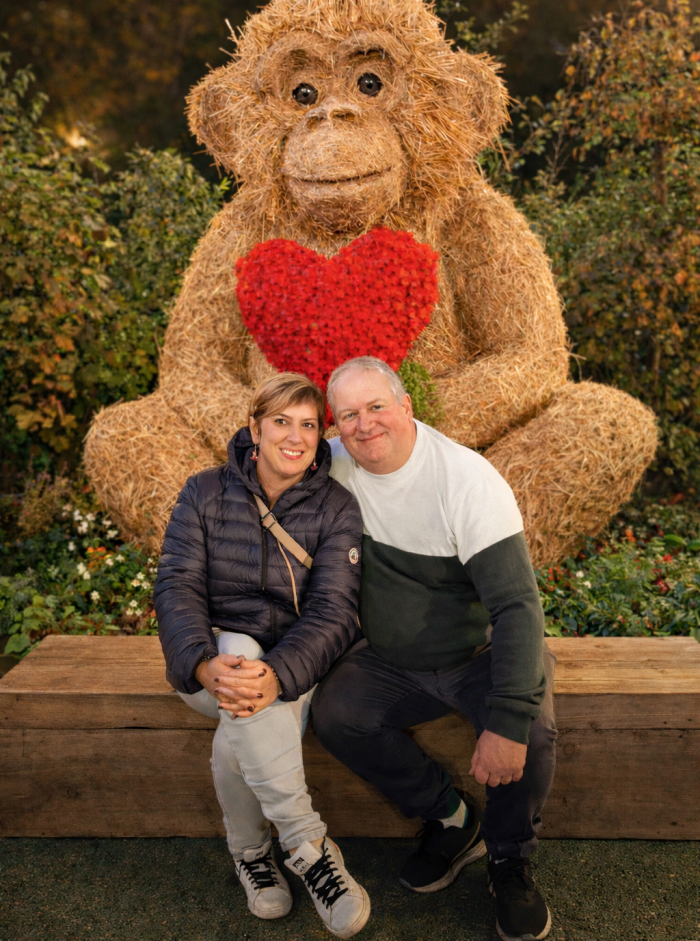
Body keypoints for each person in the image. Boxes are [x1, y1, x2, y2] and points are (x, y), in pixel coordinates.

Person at [312, 356, 557, 941]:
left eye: (377, 407)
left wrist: (508, 721)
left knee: (533, 731)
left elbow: (518, 607)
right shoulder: (333, 463)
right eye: (348, 415)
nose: (364, 425)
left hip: (477, 653)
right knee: (336, 715)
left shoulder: (466, 481)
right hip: (391, 661)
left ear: (406, 407)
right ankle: (451, 818)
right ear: (335, 424)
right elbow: (266, 463)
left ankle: (508, 858)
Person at [154, 372, 371, 939]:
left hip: (298, 669)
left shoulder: (336, 507)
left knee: (244, 714)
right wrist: (201, 662)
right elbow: (176, 586)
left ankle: (251, 854)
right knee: (238, 650)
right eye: (281, 421)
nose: (294, 436)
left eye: (307, 425)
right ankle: (309, 846)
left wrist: (279, 675)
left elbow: (334, 613)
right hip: (210, 666)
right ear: (255, 428)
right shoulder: (202, 492)